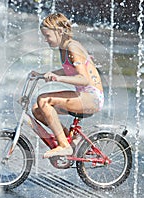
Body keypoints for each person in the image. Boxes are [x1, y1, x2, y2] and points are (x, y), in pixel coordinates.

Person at [32, 13, 104, 158]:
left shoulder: (72, 48)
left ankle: (64, 146)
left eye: (47, 36)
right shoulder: (63, 47)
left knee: (44, 100)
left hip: (92, 98)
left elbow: (84, 79)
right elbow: (69, 70)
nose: (46, 40)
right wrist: (43, 74)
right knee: (37, 109)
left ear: (59, 32)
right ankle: (71, 141)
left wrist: (58, 78)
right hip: (84, 96)